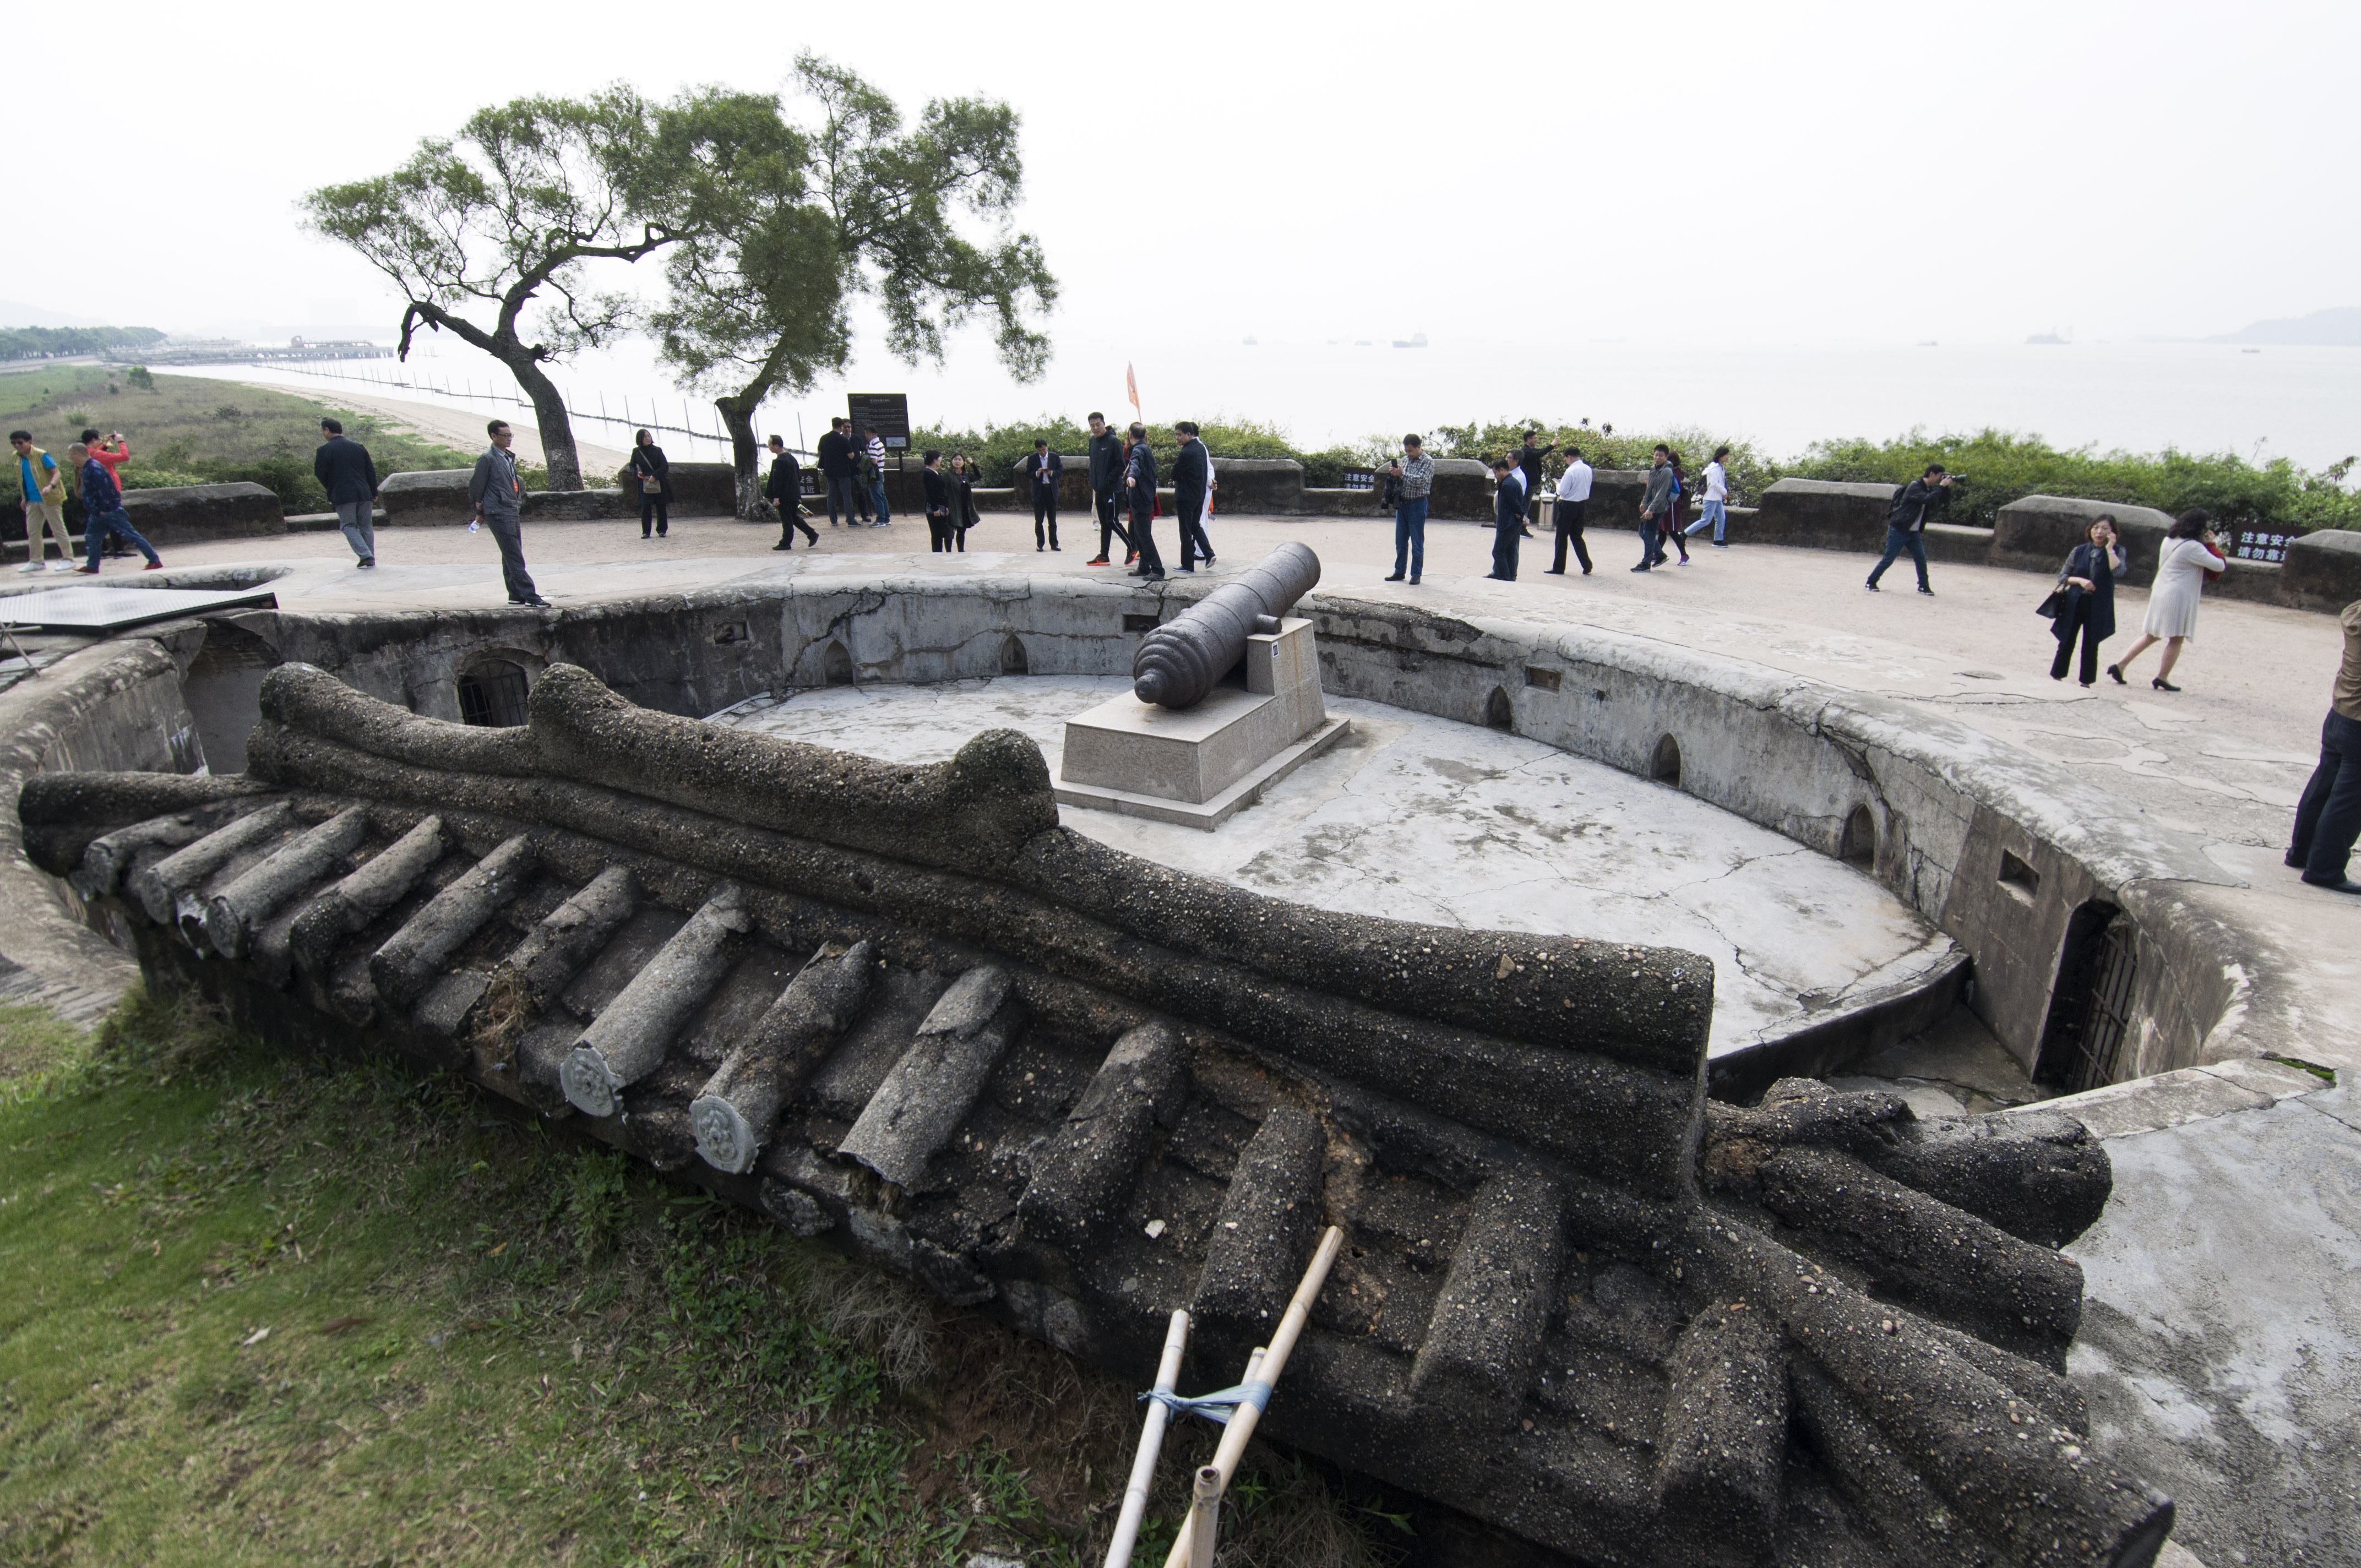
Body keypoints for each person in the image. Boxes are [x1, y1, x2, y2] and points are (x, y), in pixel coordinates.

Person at [2286, 598, 2361, 894]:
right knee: (2349, 801)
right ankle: (2325, 868)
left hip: (2341, 712)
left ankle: (2301, 853)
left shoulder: (2355, 611)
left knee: (2323, 786)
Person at [2108, 509, 2227, 691]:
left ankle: (2121, 665)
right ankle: (2162, 677)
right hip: (2178, 594)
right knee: (2177, 638)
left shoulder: (2169, 540)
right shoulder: (2192, 547)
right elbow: (2219, 565)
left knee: (2152, 634)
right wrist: (2211, 544)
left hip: (2162, 590)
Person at [469, 420, 548, 607]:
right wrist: (479, 512)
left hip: (511, 509)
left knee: (510, 553)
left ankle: (515, 594)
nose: (509, 439)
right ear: (493, 436)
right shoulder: (487, 459)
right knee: (514, 554)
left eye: (510, 435)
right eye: (505, 436)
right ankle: (531, 596)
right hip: (498, 512)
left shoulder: (506, 457)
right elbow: (476, 488)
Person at [2047, 515, 2126, 685]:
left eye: (2105, 529)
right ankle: (2057, 676)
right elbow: (2063, 577)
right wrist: (2080, 581)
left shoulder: (2118, 551)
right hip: (2074, 601)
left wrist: (2110, 548)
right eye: (2096, 528)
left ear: (2112, 532)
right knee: (2066, 639)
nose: (2099, 532)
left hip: (2098, 604)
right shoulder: (2079, 550)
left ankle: (2086, 681)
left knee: (2091, 643)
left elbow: (2119, 572)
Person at [66, 442, 160, 574]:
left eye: (70, 455)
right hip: (98, 512)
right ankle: (92, 566)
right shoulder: (87, 468)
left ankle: (154, 560)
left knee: (131, 535)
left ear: (77, 454)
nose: (70, 458)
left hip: (107, 511)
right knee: (91, 537)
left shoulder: (94, 468)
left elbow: (107, 490)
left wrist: (105, 508)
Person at [1866, 464, 1954, 594]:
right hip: (1899, 528)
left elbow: (1944, 501)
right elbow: (1927, 499)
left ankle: (1924, 586)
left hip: (1913, 532)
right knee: (1889, 558)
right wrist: (1941, 487)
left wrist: (1945, 488)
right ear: (1932, 474)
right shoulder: (1915, 487)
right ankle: (1871, 581)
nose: (1941, 478)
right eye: (1940, 475)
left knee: (1921, 559)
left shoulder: (1930, 488)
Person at [313, 417, 379, 568]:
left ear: (327, 430)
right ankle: (371, 557)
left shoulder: (324, 450)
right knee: (366, 526)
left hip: (343, 494)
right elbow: (370, 471)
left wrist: (332, 487)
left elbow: (320, 474)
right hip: (364, 492)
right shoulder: (358, 447)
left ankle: (365, 555)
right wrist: (373, 491)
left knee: (348, 526)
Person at [9, 431, 74, 574]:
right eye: (14, 443)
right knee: (33, 531)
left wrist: (50, 487)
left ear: (29, 442)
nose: (17, 446)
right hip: (32, 500)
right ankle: (36, 561)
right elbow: (22, 479)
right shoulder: (16, 458)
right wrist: (24, 498)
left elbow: (56, 472)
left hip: (49, 498)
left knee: (57, 529)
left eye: (20, 442)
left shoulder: (41, 454)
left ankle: (68, 558)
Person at [1384, 433, 1434, 584]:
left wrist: (1402, 474)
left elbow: (1421, 480)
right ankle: (1399, 571)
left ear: (1419, 447)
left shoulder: (1428, 462)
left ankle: (1416, 573)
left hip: (1417, 504)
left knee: (1417, 541)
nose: (1408, 454)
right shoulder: (1405, 460)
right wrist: (1395, 474)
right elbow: (1402, 479)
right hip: (1403, 504)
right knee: (1400, 540)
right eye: (1406, 451)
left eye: (1411, 451)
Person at [1085, 411, 1130, 565]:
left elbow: (1121, 465)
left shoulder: (1113, 441)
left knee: (1112, 520)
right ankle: (1104, 556)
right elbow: (1093, 464)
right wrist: (1093, 481)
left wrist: (1108, 480)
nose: (1096, 428)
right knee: (1104, 523)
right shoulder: (1092, 441)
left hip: (1113, 489)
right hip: (1099, 490)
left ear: (1104, 423)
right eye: (1092, 426)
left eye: (1098, 425)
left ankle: (1133, 546)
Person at [1172, 421, 1216, 571]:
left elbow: (1175, 473)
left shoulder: (1187, 452)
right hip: (1199, 496)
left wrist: (1182, 478)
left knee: (1185, 530)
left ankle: (1187, 565)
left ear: (1189, 435)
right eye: (1176, 435)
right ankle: (1209, 554)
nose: (1177, 438)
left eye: (1179, 435)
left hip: (1186, 497)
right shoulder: (1201, 448)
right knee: (1195, 526)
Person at [1122, 423, 1163, 580]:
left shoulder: (1138, 450)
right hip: (1145, 498)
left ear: (1130, 435)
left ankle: (1158, 569)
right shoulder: (1145, 448)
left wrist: (1131, 476)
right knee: (1140, 536)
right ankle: (1145, 567)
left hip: (1141, 499)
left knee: (1144, 536)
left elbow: (1135, 464)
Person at [766, 435, 818, 551]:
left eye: (770, 445)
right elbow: (798, 477)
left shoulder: (779, 461)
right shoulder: (791, 458)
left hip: (785, 496)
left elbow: (777, 480)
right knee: (794, 518)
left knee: (787, 520)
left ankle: (786, 543)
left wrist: (776, 496)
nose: (769, 447)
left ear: (776, 446)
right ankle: (812, 534)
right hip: (793, 494)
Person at [1547, 447, 1593, 575]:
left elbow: (1563, 492)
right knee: (1577, 536)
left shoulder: (1570, 471)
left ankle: (1559, 567)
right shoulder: (1588, 469)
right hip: (1581, 505)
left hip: (1568, 505)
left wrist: (1558, 485)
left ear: (1569, 457)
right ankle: (1587, 564)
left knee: (1561, 537)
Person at [1633, 445, 1674, 571]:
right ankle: (1660, 555)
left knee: (1649, 533)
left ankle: (1646, 564)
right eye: (1656, 455)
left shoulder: (1667, 472)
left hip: (1658, 508)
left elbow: (1662, 493)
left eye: (1661, 456)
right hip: (1650, 506)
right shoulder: (1654, 469)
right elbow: (1650, 488)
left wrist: (1651, 509)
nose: (1657, 458)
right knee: (1643, 532)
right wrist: (1644, 503)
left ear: (1666, 457)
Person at [817, 417, 862, 525]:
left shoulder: (824, 438)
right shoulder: (843, 440)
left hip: (829, 471)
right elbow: (851, 456)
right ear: (841, 426)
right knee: (847, 495)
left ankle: (833, 520)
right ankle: (850, 520)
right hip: (843, 471)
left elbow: (819, 452)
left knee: (831, 495)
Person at [629, 429, 672, 539]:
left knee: (661, 506)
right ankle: (646, 532)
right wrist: (636, 473)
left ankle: (662, 530)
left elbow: (664, 466)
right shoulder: (637, 451)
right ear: (640, 439)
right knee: (646, 507)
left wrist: (655, 476)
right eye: (645, 437)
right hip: (644, 481)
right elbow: (632, 466)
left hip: (658, 481)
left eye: (649, 436)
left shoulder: (657, 450)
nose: (648, 438)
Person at [1684, 445, 1731, 546]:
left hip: (1717, 498)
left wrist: (1723, 493)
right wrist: (1724, 492)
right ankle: (1684, 534)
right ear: (1721, 456)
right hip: (1711, 497)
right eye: (1726, 455)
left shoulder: (1719, 467)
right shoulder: (1714, 467)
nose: (1728, 457)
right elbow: (1714, 483)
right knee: (1706, 520)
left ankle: (1718, 540)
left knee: (1721, 518)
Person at [1488, 457, 1524, 580]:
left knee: (1498, 552)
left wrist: (1520, 513)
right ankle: (1511, 576)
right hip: (1513, 523)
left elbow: (1515, 504)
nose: (1496, 476)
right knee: (1509, 551)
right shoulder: (1513, 482)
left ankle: (1505, 577)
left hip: (1508, 523)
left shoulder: (1508, 484)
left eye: (1496, 472)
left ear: (1502, 470)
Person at [1024, 438, 1062, 551]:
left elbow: (1060, 471)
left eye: (1044, 450)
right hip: (1039, 492)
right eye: (1040, 450)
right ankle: (1040, 544)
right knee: (1039, 520)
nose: (1042, 452)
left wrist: (1052, 473)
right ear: (1037, 450)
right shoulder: (1032, 459)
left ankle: (1054, 544)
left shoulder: (1054, 457)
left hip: (1051, 490)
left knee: (1052, 520)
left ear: (1047, 447)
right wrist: (1037, 473)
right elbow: (1027, 473)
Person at [1515, 430, 1555, 535]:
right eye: (1535, 438)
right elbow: (1540, 453)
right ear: (1529, 439)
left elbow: (1539, 452)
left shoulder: (1530, 450)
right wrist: (1552, 445)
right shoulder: (1526, 451)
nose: (1536, 440)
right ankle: (1522, 528)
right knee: (1525, 506)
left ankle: (1521, 527)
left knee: (1526, 505)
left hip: (1531, 483)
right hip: (1528, 483)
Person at [921, 449, 955, 553]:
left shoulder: (935, 472)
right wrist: (935, 509)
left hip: (942, 506)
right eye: (940, 459)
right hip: (934, 507)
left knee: (941, 532)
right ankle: (937, 555)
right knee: (937, 534)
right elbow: (930, 492)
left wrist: (946, 506)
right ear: (935, 460)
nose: (941, 461)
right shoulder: (928, 473)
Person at [80, 427, 130, 497]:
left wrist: (108, 443)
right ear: (93, 440)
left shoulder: (86, 452)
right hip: (110, 488)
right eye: (99, 439)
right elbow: (125, 456)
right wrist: (121, 441)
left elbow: (98, 452)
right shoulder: (97, 455)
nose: (100, 441)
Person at [946, 453, 980, 551]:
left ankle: (961, 550)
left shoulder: (965, 475)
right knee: (950, 531)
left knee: (962, 530)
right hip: (953, 506)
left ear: (963, 462)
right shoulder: (947, 475)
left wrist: (972, 464)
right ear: (952, 461)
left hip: (964, 507)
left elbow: (978, 476)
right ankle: (948, 552)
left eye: (960, 460)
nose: (957, 462)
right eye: (955, 459)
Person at [1663, 453, 1692, 564]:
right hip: (1667, 506)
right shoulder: (1673, 473)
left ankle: (1684, 555)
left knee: (1673, 531)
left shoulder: (1675, 474)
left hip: (1673, 506)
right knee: (1662, 530)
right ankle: (1656, 553)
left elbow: (1676, 490)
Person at [862, 427, 892, 525]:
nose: (865, 436)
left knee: (877, 497)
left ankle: (880, 520)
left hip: (874, 474)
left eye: (866, 434)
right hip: (881, 472)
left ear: (869, 433)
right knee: (882, 496)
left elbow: (874, 461)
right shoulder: (880, 444)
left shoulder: (873, 445)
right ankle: (886, 519)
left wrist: (865, 458)